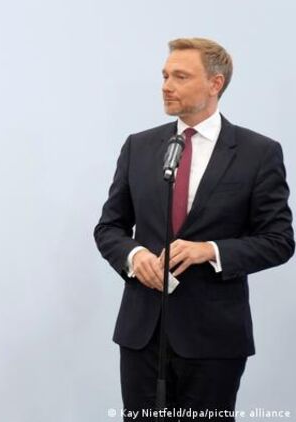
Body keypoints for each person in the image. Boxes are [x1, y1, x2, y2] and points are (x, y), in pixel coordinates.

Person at [95, 38, 294, 421]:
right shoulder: (139, 146)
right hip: (142, 335)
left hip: (214, 338)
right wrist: (134, 256)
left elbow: (279, 240)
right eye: (165, 76)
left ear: (215, 83)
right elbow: (109, 227)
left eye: (180, 77)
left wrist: (210, 250)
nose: (166, 86)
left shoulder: (258, 153)